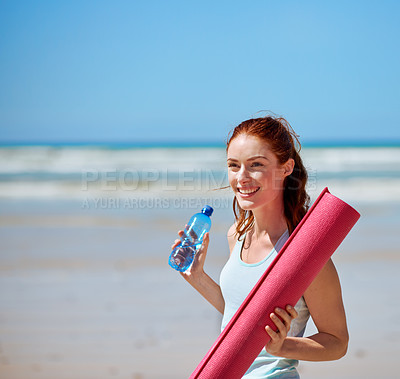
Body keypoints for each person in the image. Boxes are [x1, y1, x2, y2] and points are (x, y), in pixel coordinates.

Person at [171, 115, 349, 378]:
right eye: (233, 165)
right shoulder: (237, 235)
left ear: (285, 168)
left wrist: (284, 346)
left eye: (256, 165)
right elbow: (242, 318)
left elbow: (337, 342)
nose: (242, 177)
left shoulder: (305, 253)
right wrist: (197, 278)